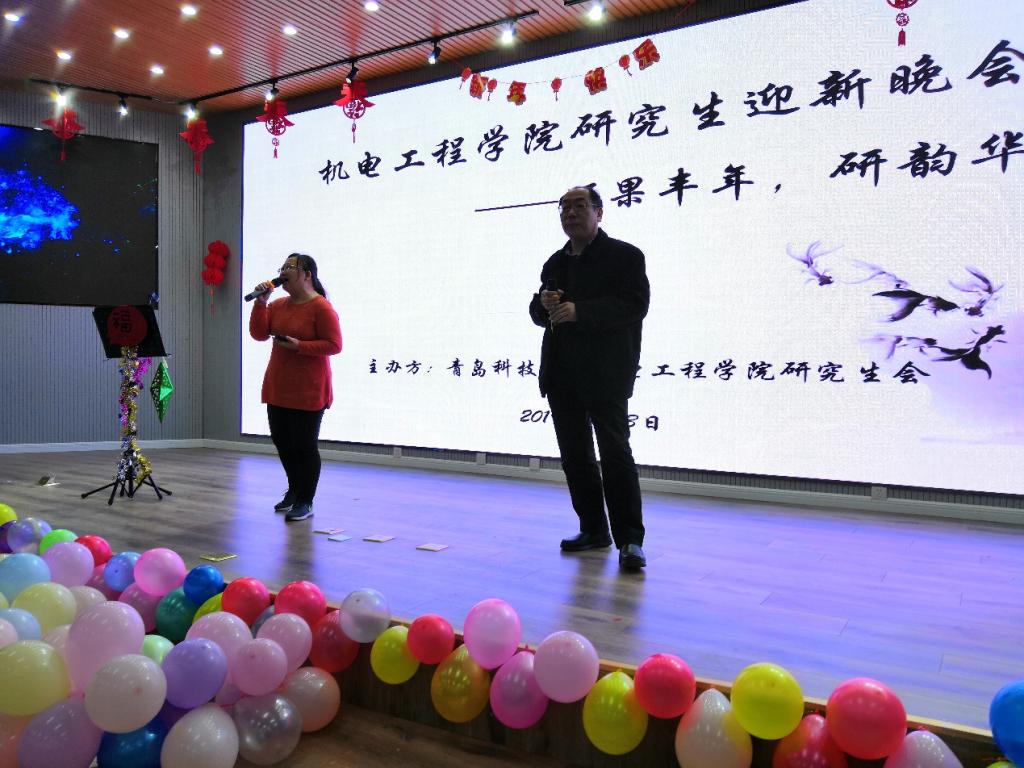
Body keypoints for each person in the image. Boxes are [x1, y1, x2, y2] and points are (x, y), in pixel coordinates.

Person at [529, 186, 650, 570]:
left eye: (579, 206)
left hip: (606, 373)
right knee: (576, 458)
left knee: (615, 455)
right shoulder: (555, 261)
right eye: (564, 207)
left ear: (599, 213)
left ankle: (630, 540)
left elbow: (635, 305)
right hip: (562, 373)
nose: (570, 213)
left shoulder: (625, 256)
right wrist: (543, 305)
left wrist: (580, 311)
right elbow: (538, 311)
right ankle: (593, 529)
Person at [248, 253, 342, 522]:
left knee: (304, 445)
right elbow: (259, 334)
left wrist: (299, 346)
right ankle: (294, 489)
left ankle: (305, 500)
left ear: (307, 274)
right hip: (279, 385)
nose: (283, 271)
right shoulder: (277, 304)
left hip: (309, 388)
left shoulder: (321, 307)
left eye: (290, 267)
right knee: (283, 442)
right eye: (282, 267)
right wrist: (261, 303)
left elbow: (334, 345)